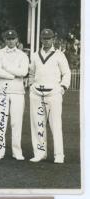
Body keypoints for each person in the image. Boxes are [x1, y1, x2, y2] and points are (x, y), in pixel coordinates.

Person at [29, 28, 71, 164]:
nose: (46, 40)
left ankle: (59, 155)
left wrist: (63, 87)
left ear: (53, 39)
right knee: (38, 124)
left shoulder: (59, 55)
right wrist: (31, 85)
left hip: (53, 94)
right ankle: (40, 153)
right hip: (37, 93)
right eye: (44, 38)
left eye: (49, 38)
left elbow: (67, 73)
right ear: (41, 39)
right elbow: (31, 73)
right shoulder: (35, 55)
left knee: (55, 125)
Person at [0, 29, 29, 160]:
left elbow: (24, 72)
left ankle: (17, 151)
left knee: (16, 122)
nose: (11, 41)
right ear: (5, 40)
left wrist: (6, 68)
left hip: (18, 92)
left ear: (17, 40)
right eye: (8, 39)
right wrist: (13, 75)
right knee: (1, 121)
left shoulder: (23, 55)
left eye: (13, 39)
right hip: (2, 91)